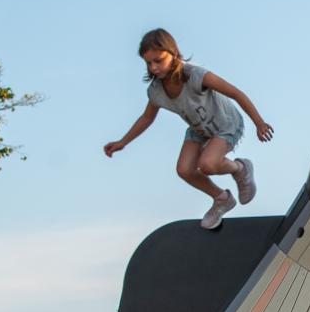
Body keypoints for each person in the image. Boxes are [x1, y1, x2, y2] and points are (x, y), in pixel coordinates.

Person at [102, 28, 274, 230]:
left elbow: (236, 93)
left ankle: (240, 169)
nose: (154, 68)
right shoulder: (156, 91)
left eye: (158, 60)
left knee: (208, 164)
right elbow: (147, 118)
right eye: (149, 63)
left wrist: (259, 123)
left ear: (173, 54)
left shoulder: (196, 76)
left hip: (226, 124)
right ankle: (221, 199)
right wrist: (123, 142)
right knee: (184, 170)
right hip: (199, 130)